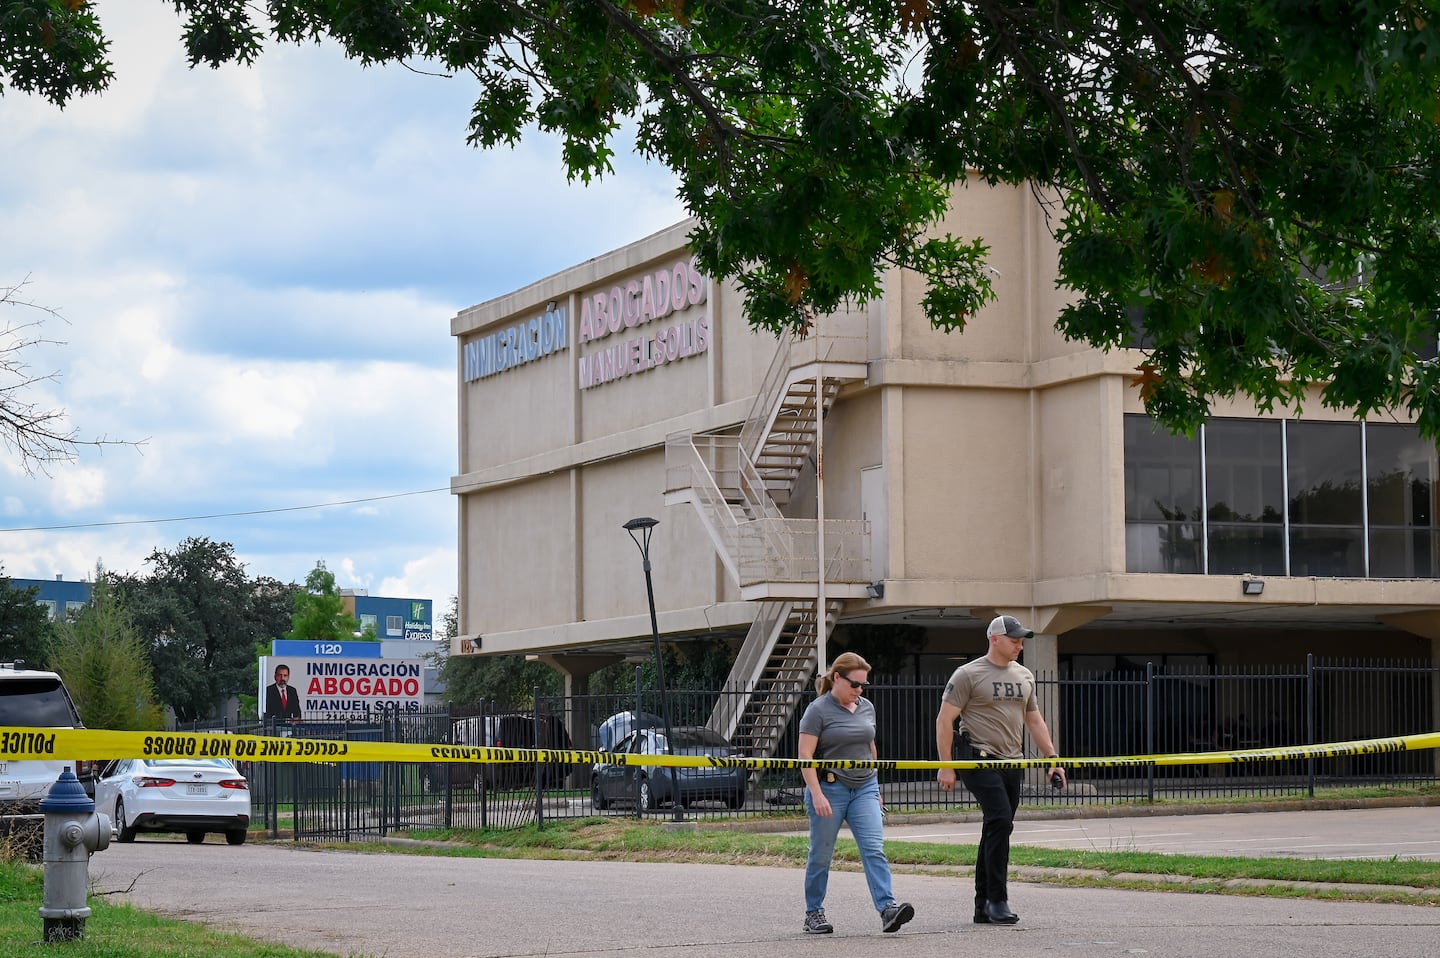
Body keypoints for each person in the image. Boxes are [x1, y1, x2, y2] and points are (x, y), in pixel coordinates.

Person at [934, 615, 1065, 926]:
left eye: (1021, 640)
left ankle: (982, 906)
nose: (1020, 645)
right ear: (994, 639)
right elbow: (944, 720)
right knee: (1000, 820)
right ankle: (998, 899)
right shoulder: (968, 674)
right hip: (978, 758)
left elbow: (1034, 720)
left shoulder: (1024, 676)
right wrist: (946, 765)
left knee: (998, 827)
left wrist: (1052, 759)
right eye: (1014, 639)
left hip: (1012, 761)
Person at [798, 651, 914, 935]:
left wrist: (876, 786)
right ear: (837, 678)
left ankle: (887, 908)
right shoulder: (817, 710)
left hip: (864, 788)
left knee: (874, 849)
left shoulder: (866, 707)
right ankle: (814, 913)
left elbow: (870, 747)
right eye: (855, 684)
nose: (859, 690)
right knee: (822, 854)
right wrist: (817, 793)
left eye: (863, 685)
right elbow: (804, 755)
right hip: (830, 787)